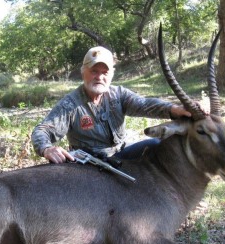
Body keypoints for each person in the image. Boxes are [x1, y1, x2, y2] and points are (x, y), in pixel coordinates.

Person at [32, 46, 192, 164]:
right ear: (83, 72)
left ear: (112, 74)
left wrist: (174, 109)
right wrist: (47, 148)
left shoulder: (119, 94)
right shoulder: (70, 104)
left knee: (157, 146)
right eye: (94, 71)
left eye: (105, 72)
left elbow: (144, 104)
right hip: (89, 164)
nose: (99, 77)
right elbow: (42, 130)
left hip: (121, 153)